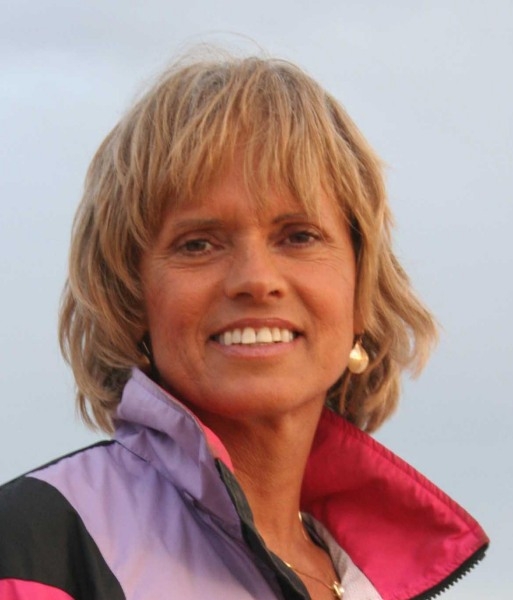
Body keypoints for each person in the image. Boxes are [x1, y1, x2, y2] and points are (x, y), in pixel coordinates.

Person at [0, 51, 488, 600]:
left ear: (361, 290)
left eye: (298, 236)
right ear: (131, 297)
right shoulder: (33, 553)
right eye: (198, 244)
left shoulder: (362, 578)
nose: (257, 280)